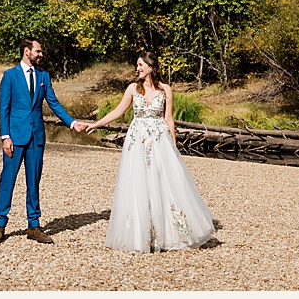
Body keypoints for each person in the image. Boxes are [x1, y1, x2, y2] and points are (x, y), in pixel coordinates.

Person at [88, 51, 218, 253]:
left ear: (150, 66)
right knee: (138, 183)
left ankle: (167, 234)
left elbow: (169, 119)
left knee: (162, 183)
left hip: (159, 142)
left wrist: (173, 148)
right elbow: (118, 111)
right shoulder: (133, 88)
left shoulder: (166, 90)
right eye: (137, 65)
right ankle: (141, 235)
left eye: (140, 65)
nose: (137, 68)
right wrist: (96, 124)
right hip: (137, 142)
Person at [0, 38, 94, 244]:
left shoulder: (43, 76)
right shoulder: (10, 76)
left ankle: (34, 226)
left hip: (36, 138)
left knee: (34, 182)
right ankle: (0, 225)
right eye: (38, 51)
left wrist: (72, 123)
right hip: (15, 138)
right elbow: (3, 108)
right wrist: (5, 137)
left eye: (41, 51)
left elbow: (54, 103)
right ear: (26, 51)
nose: (41, 55)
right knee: (7, 181)